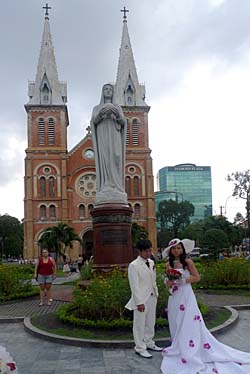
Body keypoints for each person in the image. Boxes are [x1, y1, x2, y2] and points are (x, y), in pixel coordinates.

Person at [161, 238, 250, 373]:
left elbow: (197, 277)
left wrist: (182, 280)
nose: (176, 250)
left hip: (186, 295)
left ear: (183, 249)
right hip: (174, 297)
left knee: (188, 322)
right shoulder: (169, 263)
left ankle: (190, 347)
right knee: (176, 321)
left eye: (179, 248)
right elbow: (167, 279)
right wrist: (168, 283)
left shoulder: (188, 262)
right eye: (174, 248)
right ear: (170, 251)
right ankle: (178, 345)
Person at [91, 83, 127, 205]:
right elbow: (94, 121)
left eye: (110, 89)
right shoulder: (96, 108)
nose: (108, 91)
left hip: (115, 136)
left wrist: (116, 114)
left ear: (113, 92)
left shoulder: (118, 107)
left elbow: (123, 122)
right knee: (105, 159)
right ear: (102, 92)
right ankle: (106, 184)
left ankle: (117, 186)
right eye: (105, 89)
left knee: (116, 157)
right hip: (103, 138)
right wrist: (101, 114)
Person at [125, 239, 162, 359]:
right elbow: (134, 286)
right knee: (139, 324)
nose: (149, 253)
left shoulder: (151, 262)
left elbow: (153, 280)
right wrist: (139, 302)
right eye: (146, 251)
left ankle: (149, 342)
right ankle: (140, 347)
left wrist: (156, 293)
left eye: (150, 250)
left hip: (152, 296)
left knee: (151, 322)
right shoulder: (134, 265)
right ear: (139, 251)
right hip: (141, 299)